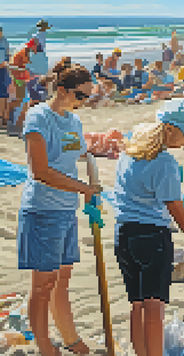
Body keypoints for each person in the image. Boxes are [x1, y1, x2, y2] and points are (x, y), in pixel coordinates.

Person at [112, 98, 184, 356]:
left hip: (124, 235)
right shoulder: (165, 163)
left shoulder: (131, 147)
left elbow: (141, 192)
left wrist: (181, 200)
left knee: (137, 304)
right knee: (154, 309)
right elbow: (182, 222)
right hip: (152, 239)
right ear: (171, 129)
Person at [18, 58, 97, 356]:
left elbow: (79, 154)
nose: (85, 102)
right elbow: (40, 170)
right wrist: (83, 188)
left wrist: (91, 176)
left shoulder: (73, 120)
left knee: (62, 279)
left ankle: (70, 338)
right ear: (62, 90)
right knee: (42, 284)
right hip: (41, 210)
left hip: (66, 210)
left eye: (89, 96)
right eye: (81, 96)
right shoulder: (38, 117)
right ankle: (44, 345)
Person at [0, 26, 10, 127]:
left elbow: (7, 54)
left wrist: (6, 62)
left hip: (3, 69)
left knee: (3, 93)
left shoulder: (4, 41)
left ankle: (3, 117)